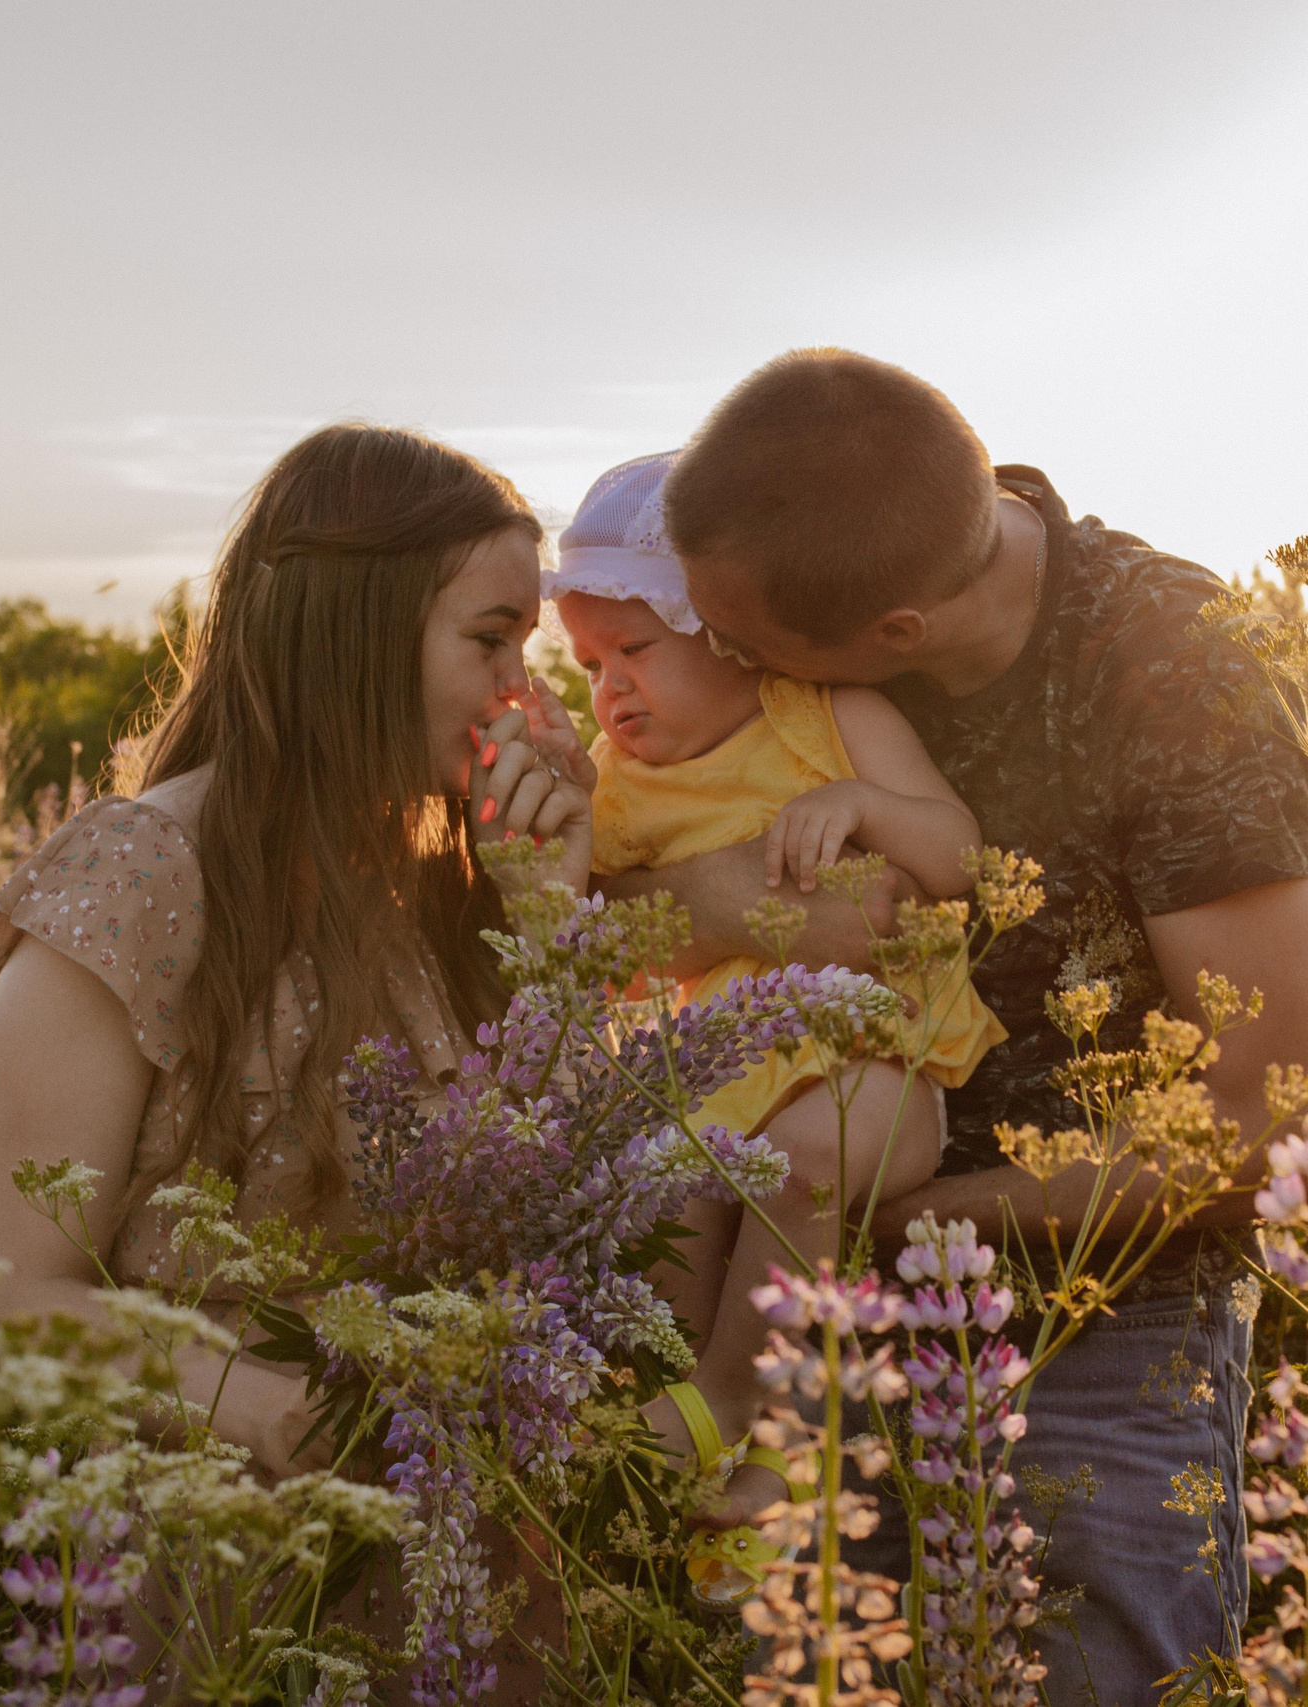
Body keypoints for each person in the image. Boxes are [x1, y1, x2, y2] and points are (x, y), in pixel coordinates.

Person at [616, 348, 1308, 1705]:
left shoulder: (1175, 669)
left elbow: (1276, 1113)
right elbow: (594, 925)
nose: (721, 662)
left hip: (1097, 1334)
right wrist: (716, 898)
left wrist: (890, 1209)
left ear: (895, 633)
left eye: (748, 648)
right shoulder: (812, 563)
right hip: (781, 1317)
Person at [0, 423, 593, 1701]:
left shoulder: (441, 884)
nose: (518, 694)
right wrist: (254, 1401)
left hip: (457, 1540)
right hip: (212, 1543)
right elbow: (22, 1299)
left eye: (526, 648)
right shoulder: (135, 874)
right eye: (489, 640)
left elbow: (569, 1203)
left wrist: (553, 922)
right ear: (357, 631)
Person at [544, 451, 1006, 1595]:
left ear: (726, 631)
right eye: (589, 666)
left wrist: (865, 804)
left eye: (633, 650)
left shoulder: (828, 716)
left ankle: (737, 1422)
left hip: (884, 1057)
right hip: (723, 1071)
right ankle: (699, 1474)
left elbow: (962, 857)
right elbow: (590, 950)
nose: (610, 690)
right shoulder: (615, 783)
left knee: (802, 1166)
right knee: (669, 1213)